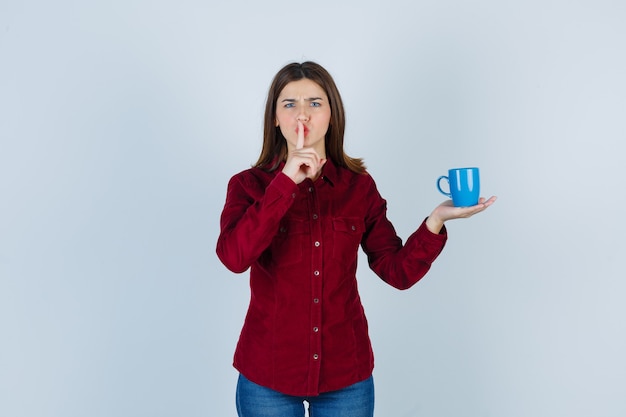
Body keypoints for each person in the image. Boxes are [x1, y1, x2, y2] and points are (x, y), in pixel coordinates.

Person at [216, 61, 496, 417]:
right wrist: (285, 182)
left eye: (315, 103)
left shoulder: (358, 187)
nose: (302, 113)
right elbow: (233, 257)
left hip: (345, 376)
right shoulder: (247, 185)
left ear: (332, 114)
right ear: (274, 118)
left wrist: (435, 221)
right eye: (289, 104)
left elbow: (397, 271)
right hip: (267, 375)